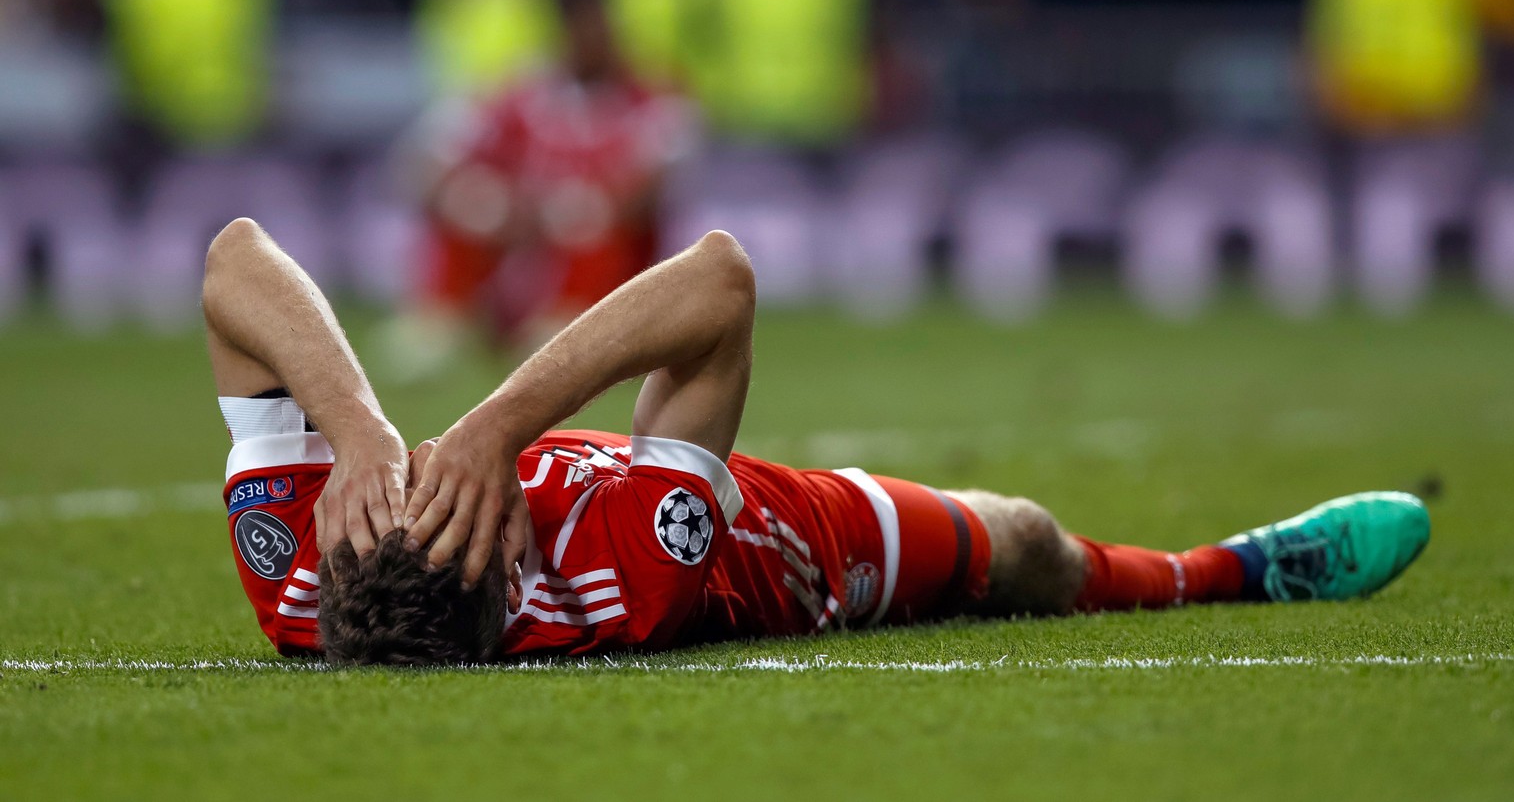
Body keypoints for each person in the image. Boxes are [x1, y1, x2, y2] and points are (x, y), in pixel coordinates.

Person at [203, 218, 1431, 665]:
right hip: (780, 549)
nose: (423, 487)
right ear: (514, 569)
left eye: (398, 492)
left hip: (475, 509)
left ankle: (1227, 565)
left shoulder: (303, 578)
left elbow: (235, 259)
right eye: (445, 502)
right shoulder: (630, 577)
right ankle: (1234, 571)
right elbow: (719, 284)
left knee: (1026, 544)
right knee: (1029, 548)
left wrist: (361, 429)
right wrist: (501, 428)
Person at [384, 0, 693, 379]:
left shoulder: (656, 100)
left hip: (603, 257)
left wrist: (559, 208)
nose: (593, 38)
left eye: (602, 25)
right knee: (474, 200)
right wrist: (499, 204)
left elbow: (650, 192)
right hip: (526, 238)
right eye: (581, 26)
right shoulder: (520, 93)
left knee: (589, 218)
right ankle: (443, 321)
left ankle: (573, 326)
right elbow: (428, 163)